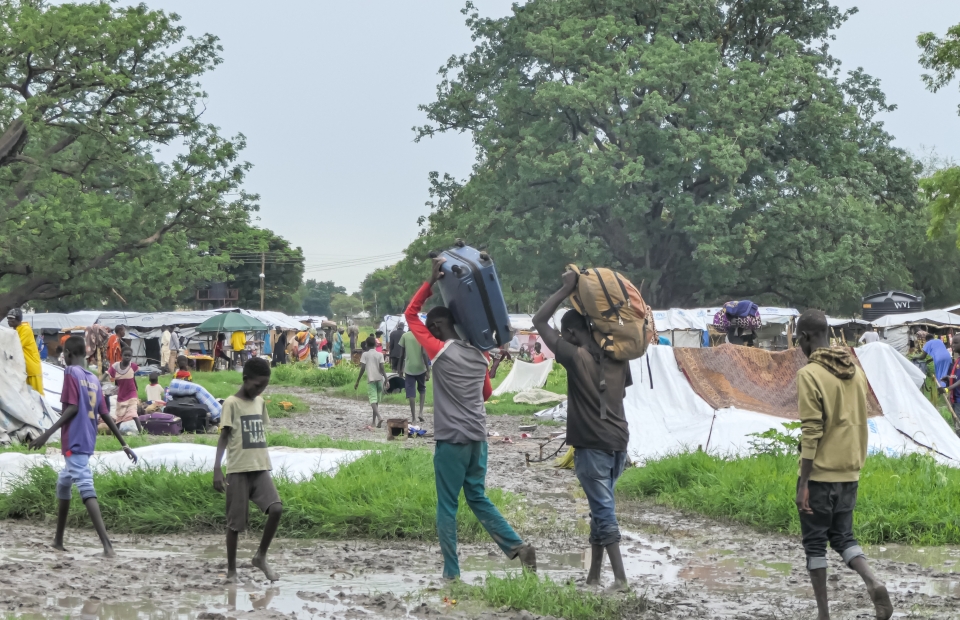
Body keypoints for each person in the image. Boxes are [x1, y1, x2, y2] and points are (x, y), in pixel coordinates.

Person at [405, 257, 536, 580]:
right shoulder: (479, 355)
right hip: (479, 439)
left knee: (447, 505)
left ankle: (451, 571)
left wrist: (429, 283)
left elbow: (410, 315)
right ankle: (517, 546)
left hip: (452, 441)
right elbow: (486, 394)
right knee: (476, 495)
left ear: (436, 328)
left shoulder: (439, 350)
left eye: (430, 326)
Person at [532, 270, 631, 591]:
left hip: (591, 444)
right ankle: (593, 577)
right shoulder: (618, 357)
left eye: (566, 334)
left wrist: (565, 289)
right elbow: (621, 396)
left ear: (572, 334)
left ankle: (620, 579)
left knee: (603, 510)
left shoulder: (575, 357)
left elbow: (538, 321)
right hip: (619, 441)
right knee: (599, 508)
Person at [795, 309, 892, 620]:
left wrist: (803, 482)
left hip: (820, 474)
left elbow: (812, 431)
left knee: (814, 545)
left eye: (799, 340)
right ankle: (873, 581)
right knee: (843, 536)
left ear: (806, 337)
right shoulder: (856, 371)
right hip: (850, 470)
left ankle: (824, 614)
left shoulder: (809, 375)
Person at [28, 335, 138, 557]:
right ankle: (58, 540)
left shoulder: (71, 372)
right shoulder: (93, 379)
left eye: (63, 355)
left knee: (86, 486)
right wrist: (124, 443)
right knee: (64, 483)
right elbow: (105, 415)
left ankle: (107, 546)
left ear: (67, 354)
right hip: (88, 438)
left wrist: (45, 434)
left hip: (74, 440)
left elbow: (72, 408)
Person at [213, 357, 283, 583]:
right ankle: (232, 571)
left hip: (260, 467)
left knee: (276, 509)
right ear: (245, 380)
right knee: (235, 525)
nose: (260, 390)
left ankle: (260, 557)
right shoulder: (231, 404)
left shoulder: (260, 402)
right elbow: (224, 436)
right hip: (238, 470)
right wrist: (217, 468)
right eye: (257, 385)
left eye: (264, 386)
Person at [396, 326, 430, 422]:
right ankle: (421, 412)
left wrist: (400, 369)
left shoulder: (405, 336)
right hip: (421, 368)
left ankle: (414, 418)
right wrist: (428, 369)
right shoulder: (421, 336)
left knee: (411, 392)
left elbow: (401, 354)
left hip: (409, 368)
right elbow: (424, 353)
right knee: (422, 389)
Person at [6, 308, 43, 395]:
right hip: (24, 370)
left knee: (37, 397)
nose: (9, 320)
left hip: (32, 370)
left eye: (12, 318)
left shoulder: (25, 330)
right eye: (8, 318)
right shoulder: (16, 330)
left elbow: (15, 346)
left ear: (18, 319)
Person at [106, 345, 142, 434]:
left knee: (133, 413)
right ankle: (116, 433)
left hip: (131, 393)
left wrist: (135, 386)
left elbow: (132, 376)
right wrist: (98, 381)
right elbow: (107, 374)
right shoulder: (115, 367)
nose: (127, 357)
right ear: (121, 355)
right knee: (119, 417)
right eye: (125, 355)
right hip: (121, 395)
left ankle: (141, 432)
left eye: (129, 356)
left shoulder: (133, 366)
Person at [354, 335, 386, 427]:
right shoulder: (380, 354)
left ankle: (379, 417)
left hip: (371, 380)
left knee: (372, 401)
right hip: (380, 380)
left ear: (367, 344)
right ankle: (373, 421)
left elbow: (362, 369)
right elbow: (382, 368)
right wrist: (387, 379)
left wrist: (357, 381)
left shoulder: (365, 355)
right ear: (376, 344)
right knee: (376, 402)